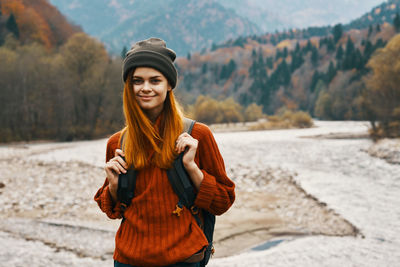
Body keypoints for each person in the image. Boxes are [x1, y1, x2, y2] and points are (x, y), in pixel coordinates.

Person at [94, 37, 235, 267]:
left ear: (169, 84)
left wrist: (192, 168)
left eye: (155, 80)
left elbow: (223, 202)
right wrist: (112, 185)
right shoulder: (117, 142)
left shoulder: (198, 135)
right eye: (137, 81)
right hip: (129, 260)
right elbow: (113, 211)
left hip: (183, 260)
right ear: (129, 86)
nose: (145, 88)